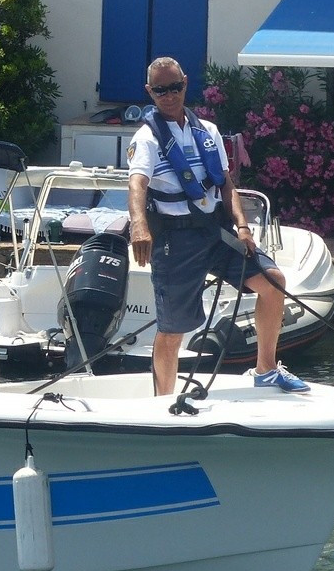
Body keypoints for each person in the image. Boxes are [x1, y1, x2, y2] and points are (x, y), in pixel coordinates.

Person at [126, 57, 309, 396]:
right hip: (176, 241)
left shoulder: (206, 131)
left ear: (185, 81)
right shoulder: (147, 139)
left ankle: (266, 369)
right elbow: (137, 185)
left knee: (274, 281)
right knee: (172, 330)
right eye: (161, 90)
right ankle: (162, 403)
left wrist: (242, 225)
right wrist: (140, 226)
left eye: (175, 87)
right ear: (149, 92)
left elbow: (225, 185)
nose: (169, 95)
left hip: (215, 233)